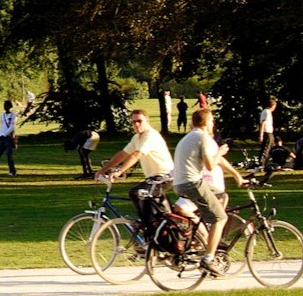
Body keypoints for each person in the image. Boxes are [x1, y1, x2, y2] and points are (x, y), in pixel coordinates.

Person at [173, 106, 244, 276]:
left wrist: (237, 176)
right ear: (206, 122)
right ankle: (208, 259)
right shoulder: (203, 137)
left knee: (222, 195)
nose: (213, 124)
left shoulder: (190, 137)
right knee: (221, 218)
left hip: (181, 183)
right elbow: (211, 165)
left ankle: (208, 229)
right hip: (192, 183)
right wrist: (220, 152)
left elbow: (215, 161)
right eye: (212, 120)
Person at [96, 109, 173, 183]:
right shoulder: (136, 137)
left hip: (164, 176)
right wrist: (103, 170)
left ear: (147, 121)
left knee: (138, 191)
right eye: (134, 122)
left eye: (139, 121)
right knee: (139, 191)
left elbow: (136, 155)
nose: (136, 124)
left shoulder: (150, 135)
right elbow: (123, 154)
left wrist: (120, 171)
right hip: (152, 178)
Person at [0, 100, 18, 176]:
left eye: (6, 105)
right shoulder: (2, 115)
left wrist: (4, 134)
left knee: (9, 155)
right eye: (4, 105)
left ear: (10, 106)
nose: (5, 107)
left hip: (8, 138)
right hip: (1, 137)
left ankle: (12, 171)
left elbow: (12, 127)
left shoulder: (13, 115)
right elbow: (2, 126)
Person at [258, 99, 277, 167]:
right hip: (267, 132)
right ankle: (261, 164)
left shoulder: (268, 112)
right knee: (266, 149)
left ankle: (268, 163)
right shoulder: (266, 112)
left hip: (270, 133)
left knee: (272, 148)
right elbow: (263, 123)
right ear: (273, 105)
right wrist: (261, 135)